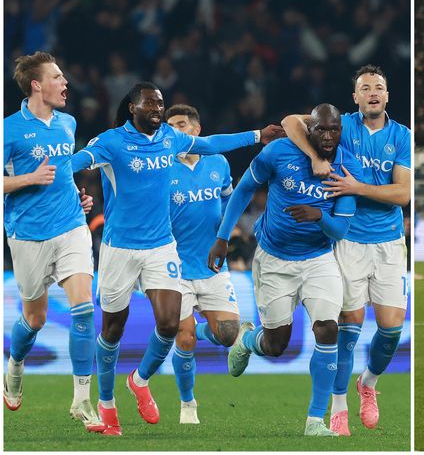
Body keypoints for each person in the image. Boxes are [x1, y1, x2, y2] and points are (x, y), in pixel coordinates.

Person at [71, 81, 280, 436]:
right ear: (132, 107)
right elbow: (71, 164)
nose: (157, 108)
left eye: (160, 103)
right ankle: (106, 404)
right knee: (112, 329)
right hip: (119, 249)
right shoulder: (110, 142)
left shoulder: (170, 138)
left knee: (169, 326)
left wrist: (257, 135)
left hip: (160, 247)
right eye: (150, 103)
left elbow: (211, 144)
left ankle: (139, 382)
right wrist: (70, 192)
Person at [209, 103, 360, 437]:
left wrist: (319, 217)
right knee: (276, 345)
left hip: (319, 258)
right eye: (321, 129)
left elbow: (341, 231)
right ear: (309, 129)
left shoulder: (348, 166)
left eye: (334, 130)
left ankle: (315, 421)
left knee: (328, 329)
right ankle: (247, 340)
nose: (328, 136)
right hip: (274, 260)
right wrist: (222, 236)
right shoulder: (279, 152)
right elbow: (245, 188)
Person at [281, 65, 411, 436]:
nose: (373, 92)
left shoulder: (402, 135)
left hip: (388, 242)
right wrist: (314, 156)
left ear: (387, 95)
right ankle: (339, 408)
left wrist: (357, 188)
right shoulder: (342, 126)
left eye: (379, 87)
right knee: (347, 329)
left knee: (391, 330)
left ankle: (368, 383)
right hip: (347, 240)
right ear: (355, 97)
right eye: (365, 87)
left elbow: (403, 194)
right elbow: (290, 122)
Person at [3, 51, 105, 433]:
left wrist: (77, 195)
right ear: (36, 85)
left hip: (71, 226)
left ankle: (82, 400)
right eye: (57, 77)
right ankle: (14, 365)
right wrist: (29, 179)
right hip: (28, 234)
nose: (65, 83)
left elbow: (62, 173)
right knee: (35, 318)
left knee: (84, 309)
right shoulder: (9, 129)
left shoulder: (67, 122)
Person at [165, 104, 249, 424]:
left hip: (212, 264)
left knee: (228, 334)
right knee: (184, 338)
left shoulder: (218, 162)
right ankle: (188, 404)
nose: (175, 131)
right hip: (175, 267)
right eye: (170, 127)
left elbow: (228, 199)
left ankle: (201, 330)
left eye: (181, 124)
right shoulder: (163, 166)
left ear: (197, 130)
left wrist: (227, 231)